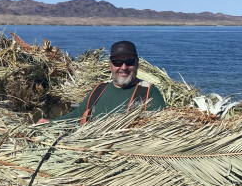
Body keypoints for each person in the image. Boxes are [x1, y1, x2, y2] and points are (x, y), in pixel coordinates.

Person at [37, 41, 165, 125]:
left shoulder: (148, 93)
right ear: (110, 65)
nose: (124, 67)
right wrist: (51, 122)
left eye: (129, 62)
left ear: (137, 63)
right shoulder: (100, 88)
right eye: (118, 62)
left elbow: (153, 132)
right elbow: (78, 114)